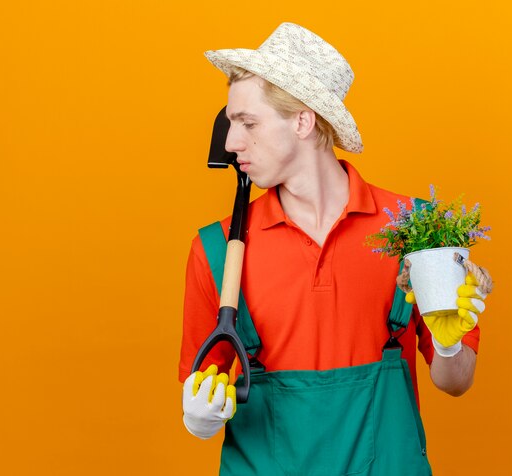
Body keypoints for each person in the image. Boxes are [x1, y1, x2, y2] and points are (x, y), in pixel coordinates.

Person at [179, 22, 490, 475]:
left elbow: (456, 382)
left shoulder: (418, 230)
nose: (230, 143)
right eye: (230, 124)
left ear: (303, 121)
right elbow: (200, 383)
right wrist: (199, 417)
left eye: (247, 123)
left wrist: (447, 348)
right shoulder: (216, 249)